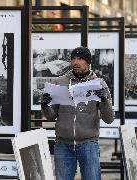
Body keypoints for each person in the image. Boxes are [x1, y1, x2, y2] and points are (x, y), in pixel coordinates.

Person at [41, 47, 114, 180]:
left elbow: (109, 119)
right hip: (63, 145)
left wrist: (104, 100)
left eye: (80, 59)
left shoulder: (99, 84)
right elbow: (51, 116)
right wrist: (45, 106)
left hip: (89, 144)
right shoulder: (60, 82)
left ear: (88, 62)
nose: (76, 62)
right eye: (73, 59)